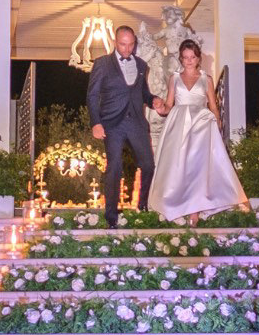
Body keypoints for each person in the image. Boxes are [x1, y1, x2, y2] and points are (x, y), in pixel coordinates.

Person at [146, 39, 250, 223]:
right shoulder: (174, 78)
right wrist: (162, 109)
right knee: (179, 168)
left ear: (198, 58)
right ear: (181, 58)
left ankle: (195, 211)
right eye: (185, 57)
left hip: (202, 127)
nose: (189, 61)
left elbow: (213, 105)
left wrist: (217, 126)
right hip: (178, 126)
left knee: (198, 169)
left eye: (192, 57)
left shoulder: (206, 79)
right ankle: (178, 207)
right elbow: (170, 105)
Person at [87, 25, 157, 227]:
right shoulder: (102, 64)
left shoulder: (142, 65)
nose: (127, 49)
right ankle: (111, 217)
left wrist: (155, 102)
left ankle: (141, 206)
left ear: (135, 43)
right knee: (115, 167)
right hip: (112, 123)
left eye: (130, 45)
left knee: (148, 166)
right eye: (123, 44)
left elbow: (144, 93)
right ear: (115, 43)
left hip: (136, 122)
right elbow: (92, 95)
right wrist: (96, 122)